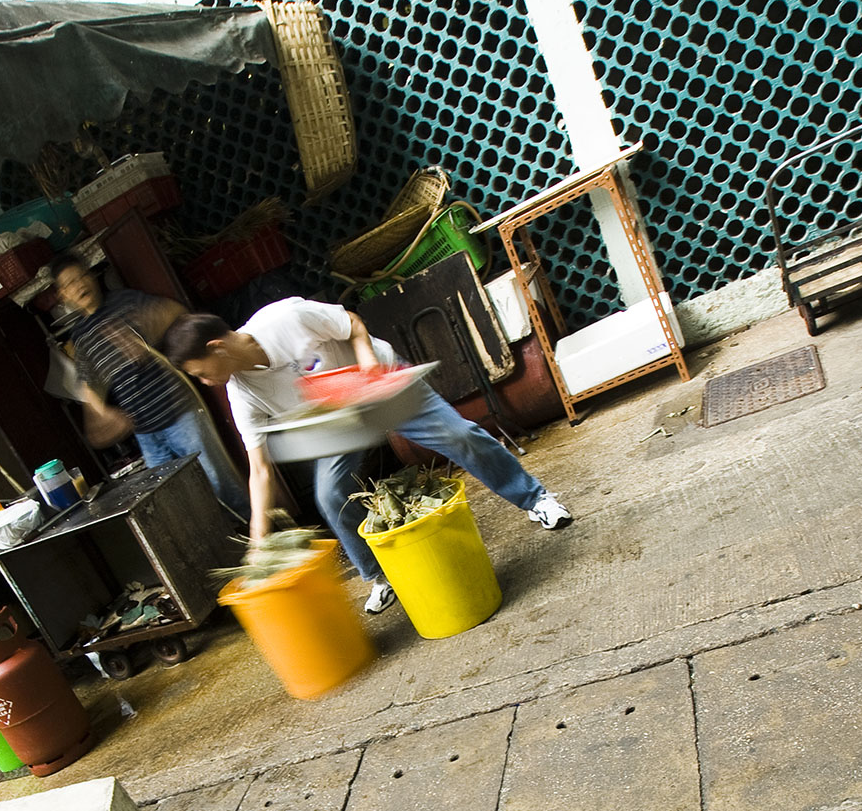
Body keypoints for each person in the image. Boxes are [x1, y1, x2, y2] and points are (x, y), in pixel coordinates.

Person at [163, 297, 572, 614]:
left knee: (459, 435)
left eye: (200, 372)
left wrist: (368, 366)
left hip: (382, 385)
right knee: (329, 495)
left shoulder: (284, 319)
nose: (204, 382)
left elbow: (353, 322)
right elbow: (259, 469)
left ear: (216, 347)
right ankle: (379, 576)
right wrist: (257, 540)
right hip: (338, 422)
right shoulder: (242, 392)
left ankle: (536, 499)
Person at [50, 255, 250, 519]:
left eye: (81, 276)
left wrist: (148, 335)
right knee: (176, 499)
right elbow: (90, 384)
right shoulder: (82, 336)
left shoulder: (125, 301)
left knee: (218, 481)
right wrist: (104, 413)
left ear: (92, 276)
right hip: (146, 432)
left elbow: (175, 312)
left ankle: (259, 531)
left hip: (178, 412)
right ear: (63, 295)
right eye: (69, 284)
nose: (79, 285)